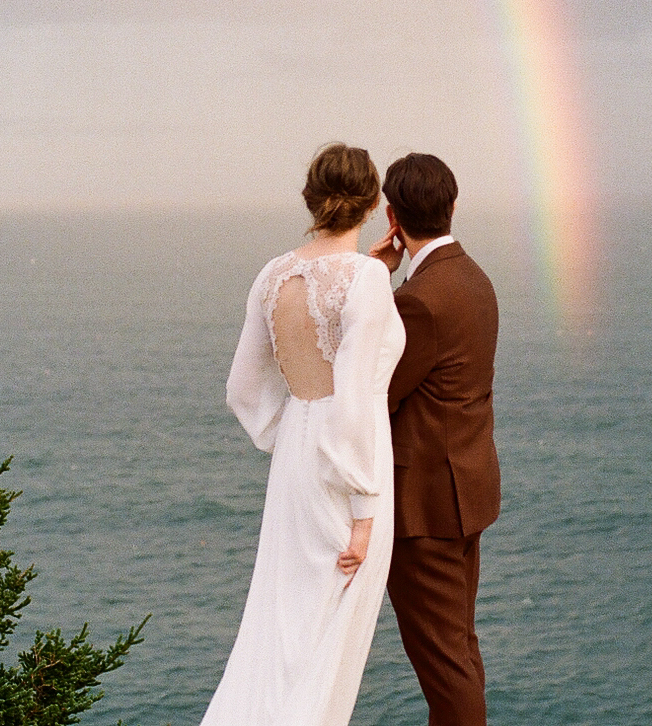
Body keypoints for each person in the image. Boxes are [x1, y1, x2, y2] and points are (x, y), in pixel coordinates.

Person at [201, 143, 406, 726]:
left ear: (311, 200)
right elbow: (357, 398)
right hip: (349, 472)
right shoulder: (364, 279)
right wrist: (365, 511)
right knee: (330, 636)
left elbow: (243, 389)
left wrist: (287, 432)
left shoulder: (273, 274)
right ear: (372, 207)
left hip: (296, 459)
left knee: (280, 627)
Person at [368, 153, 500, 726]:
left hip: (424, 511)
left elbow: (375, 389)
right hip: (466, 496)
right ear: (450, 207)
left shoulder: (417, 300)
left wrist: (375, 277)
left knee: (445, 667)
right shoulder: (474, 279)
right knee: (460, 652)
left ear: (392, 216)